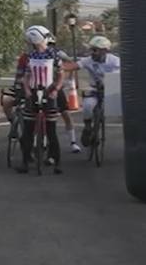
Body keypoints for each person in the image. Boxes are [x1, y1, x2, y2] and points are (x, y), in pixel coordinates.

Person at [16, 25, 64, 174]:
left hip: (48, 92)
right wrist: (27, 91)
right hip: (34, 91)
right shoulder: (30, 56)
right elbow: (26, 76)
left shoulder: (54, 54)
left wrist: (55, 89)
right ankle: (25, 161)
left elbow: (61, 74)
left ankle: (56, 162)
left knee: (51, 130)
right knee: (29, 130)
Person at [62, 36, 120, 147]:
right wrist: (57, 66)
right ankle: (88, 127)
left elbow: (117, 75)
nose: (92, 53)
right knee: (88, 106)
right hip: (95, 88)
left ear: (105, 51)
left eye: (95, 50)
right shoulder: (88, 60)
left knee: (117, 108)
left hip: (111, 87)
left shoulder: (115, 61)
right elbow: (73, 66)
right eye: (91, 50)